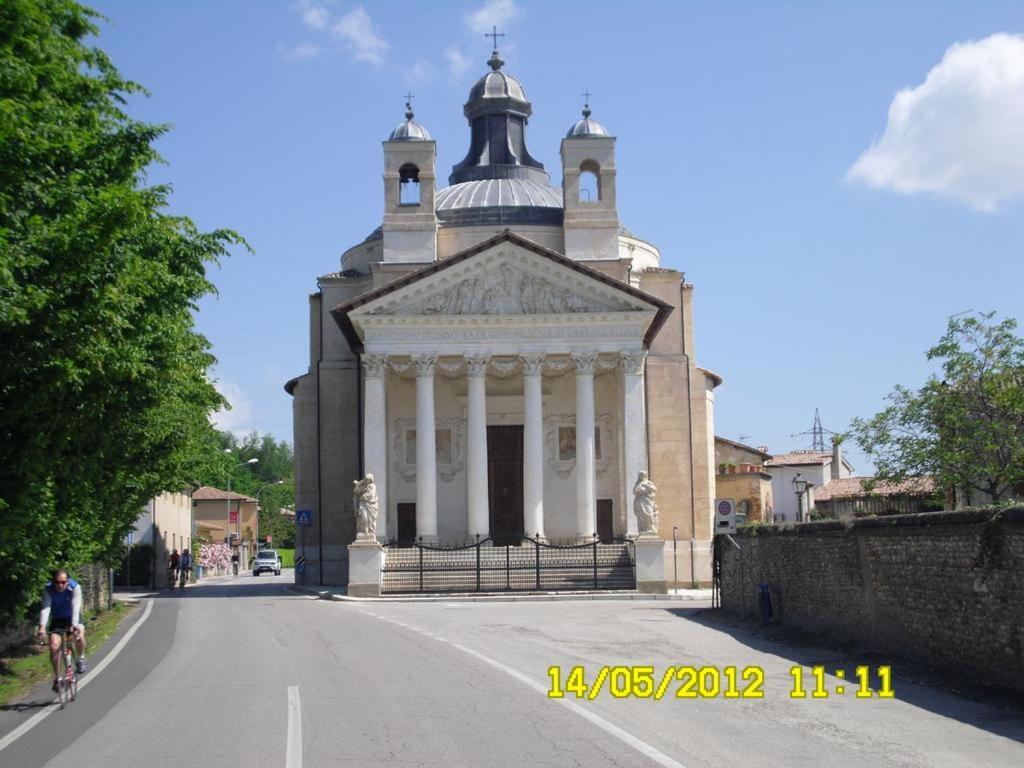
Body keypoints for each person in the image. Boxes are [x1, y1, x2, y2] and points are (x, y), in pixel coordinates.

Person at [37, 569, 87, 690]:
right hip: (57, 619)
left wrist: (74, 625)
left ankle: (80, 658)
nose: (60, 585)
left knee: (79, 637)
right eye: (57, 582)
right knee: (54, 646)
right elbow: (46, 607)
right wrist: (42, 626)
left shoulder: (74, 587)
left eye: (63, 582)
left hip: (73, 618)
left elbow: (76, 606)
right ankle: (58, 679)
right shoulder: (48, 589)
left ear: (68, 581)